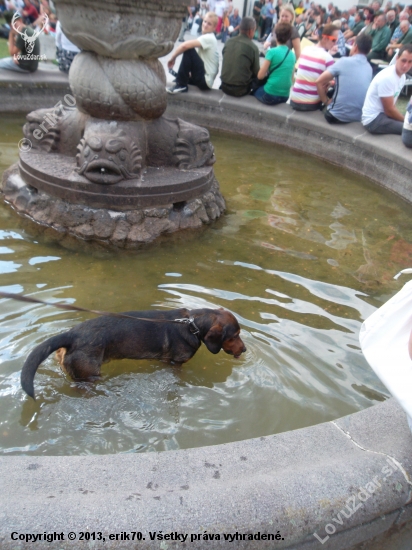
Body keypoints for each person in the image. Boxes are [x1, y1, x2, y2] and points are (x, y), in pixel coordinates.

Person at [316, 33, 373, 123]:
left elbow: (319, 81)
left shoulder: (344, 61)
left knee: (325, 96)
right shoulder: (369, 68)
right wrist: (332, 83)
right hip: (358, 118)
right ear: (369, 51)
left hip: (335, 116)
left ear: (355, 47)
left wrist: (326, 101)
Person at [362, 44, 412, 134]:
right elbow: (389, 110)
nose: (406, 65)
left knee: (409, 120)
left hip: (384, 115)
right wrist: (405, 121)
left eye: (410, 62)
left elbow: (392, 105)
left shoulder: (402, 76)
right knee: (408, 129)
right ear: (397, 58)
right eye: (403, 61)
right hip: (373, 120)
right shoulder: (388, 77)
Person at [290, 24, 339, 111]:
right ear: (325, 38)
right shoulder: (327, 58)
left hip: (294, 99)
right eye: (334, 40)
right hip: (311, 104)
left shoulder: (306, 49)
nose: (335, 43)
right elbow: (337, 81)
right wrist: (331, 83)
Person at [253, 22, 296, 105]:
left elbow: (260, 76)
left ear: (276, 35)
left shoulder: (271, 52)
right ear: (288, 38)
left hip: (270, 94)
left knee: (254, 91)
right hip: (285, 96)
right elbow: (292, 79)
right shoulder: (292, 55)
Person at [220, 17, 260, 97]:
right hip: (241, 90)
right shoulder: (253, 47)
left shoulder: (228, 42)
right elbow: (257, 73)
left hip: (224, 86)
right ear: (250, 31)